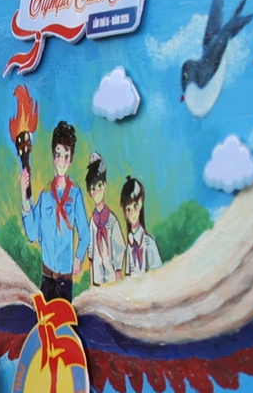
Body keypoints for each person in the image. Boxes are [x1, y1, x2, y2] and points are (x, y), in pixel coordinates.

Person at [20, 120, 91, 300]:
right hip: (47, 279)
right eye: (58, 155)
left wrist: (78, 258)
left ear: (71, 160)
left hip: (65, 280)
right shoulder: (45, 195)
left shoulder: (75, 194)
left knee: (65, 318)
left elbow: (85, 233)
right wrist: (24, 197)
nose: (61, 161)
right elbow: (32, 234)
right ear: (53, 157)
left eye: (66, 156)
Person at [85, 154, 123, 286]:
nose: (96, 192)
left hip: (112, 281)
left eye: (99, 186)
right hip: (97, 282)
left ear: (105, 186)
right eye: (93, 189)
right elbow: (90, 257)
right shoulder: (92, 223)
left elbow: (118, 252)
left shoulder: (112, 221)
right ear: (90, 193)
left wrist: (119, 284)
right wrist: (91, 285)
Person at [120, 176, 160, 275]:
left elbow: (158, 275)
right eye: (128, 209)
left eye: (135, 206)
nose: (132, 213)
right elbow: (129, 277)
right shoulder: (129, 246)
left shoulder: (149, 243)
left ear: (140, 203)